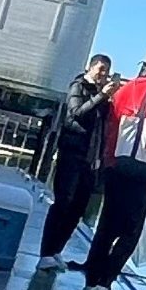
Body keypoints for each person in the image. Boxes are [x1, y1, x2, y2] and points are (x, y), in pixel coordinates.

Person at [79, 45, 146, 290]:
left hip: (114, 164)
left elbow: (112, 124)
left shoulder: (126, 88)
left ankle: (90, 286)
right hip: (138, 170)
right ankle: (104, 285)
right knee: (131, 230)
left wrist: (109, 157)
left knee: (106, 227)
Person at [35, 54, 118, 273]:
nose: (103, 74)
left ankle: (56, 251)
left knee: (78, 207)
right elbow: (76, 114)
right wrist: (101, 96)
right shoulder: (78, 86)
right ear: (90, 68)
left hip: (90, 159)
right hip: (71, 153)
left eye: (106, 70)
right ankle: (45, 252)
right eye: (100, 69)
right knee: (63, 202)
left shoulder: (102, 96)